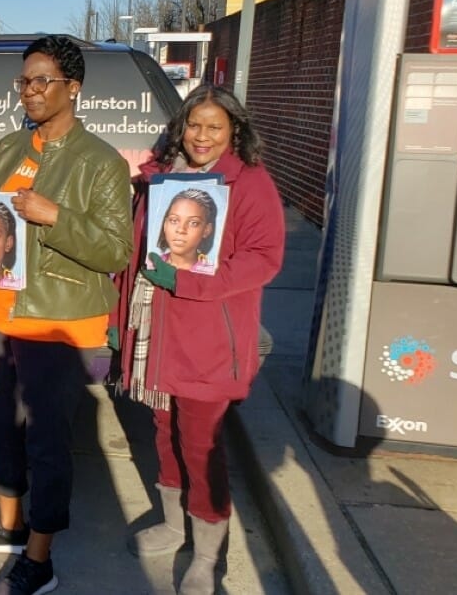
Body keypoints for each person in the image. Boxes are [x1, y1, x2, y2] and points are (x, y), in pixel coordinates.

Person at [0, 35, 133, 595]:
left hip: (59, 323)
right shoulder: (10, 147)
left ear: (72, 88)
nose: (29, 91)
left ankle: (40, 555)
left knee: (47, 441)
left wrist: (55, 215)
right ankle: (10, 523)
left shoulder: (101, 163)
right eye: (23, 82)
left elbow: (115, 252)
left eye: (41, 82)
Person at [114, 84, 284, 595]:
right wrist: (120, 314)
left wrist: (189, 280)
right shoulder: (158, 177)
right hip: (156, 334)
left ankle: (209, 554)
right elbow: (136, 251)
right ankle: (173, 524)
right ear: (180, 127)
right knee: (164, 432)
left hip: (208, 336)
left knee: (202, 444)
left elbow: (263, 258)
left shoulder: (249, 183)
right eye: (194, 125)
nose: (202, 136)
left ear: (234, 131)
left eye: (215, 126)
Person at [156, 188, 219, 274]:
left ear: (206, 230)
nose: (181, 229)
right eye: (174, 220)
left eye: (193, 223)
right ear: (165, 224)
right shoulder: (151, 264)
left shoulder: (212, 273)